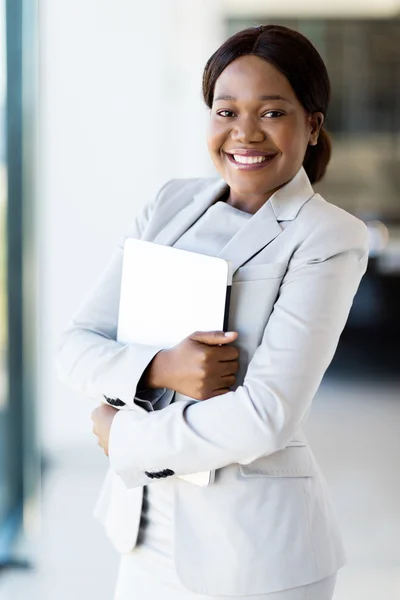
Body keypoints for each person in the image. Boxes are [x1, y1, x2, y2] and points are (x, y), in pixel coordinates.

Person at [56, 24, 369, 599]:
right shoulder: (170, 203)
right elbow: (76, 344)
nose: (244, 132)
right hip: (146, 529)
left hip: (257, 548)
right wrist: (160, 367)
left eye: (272, 112)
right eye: (226, 111)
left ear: (313, 124)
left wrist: (125, 434)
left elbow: (265, 415)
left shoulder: (328, 236)